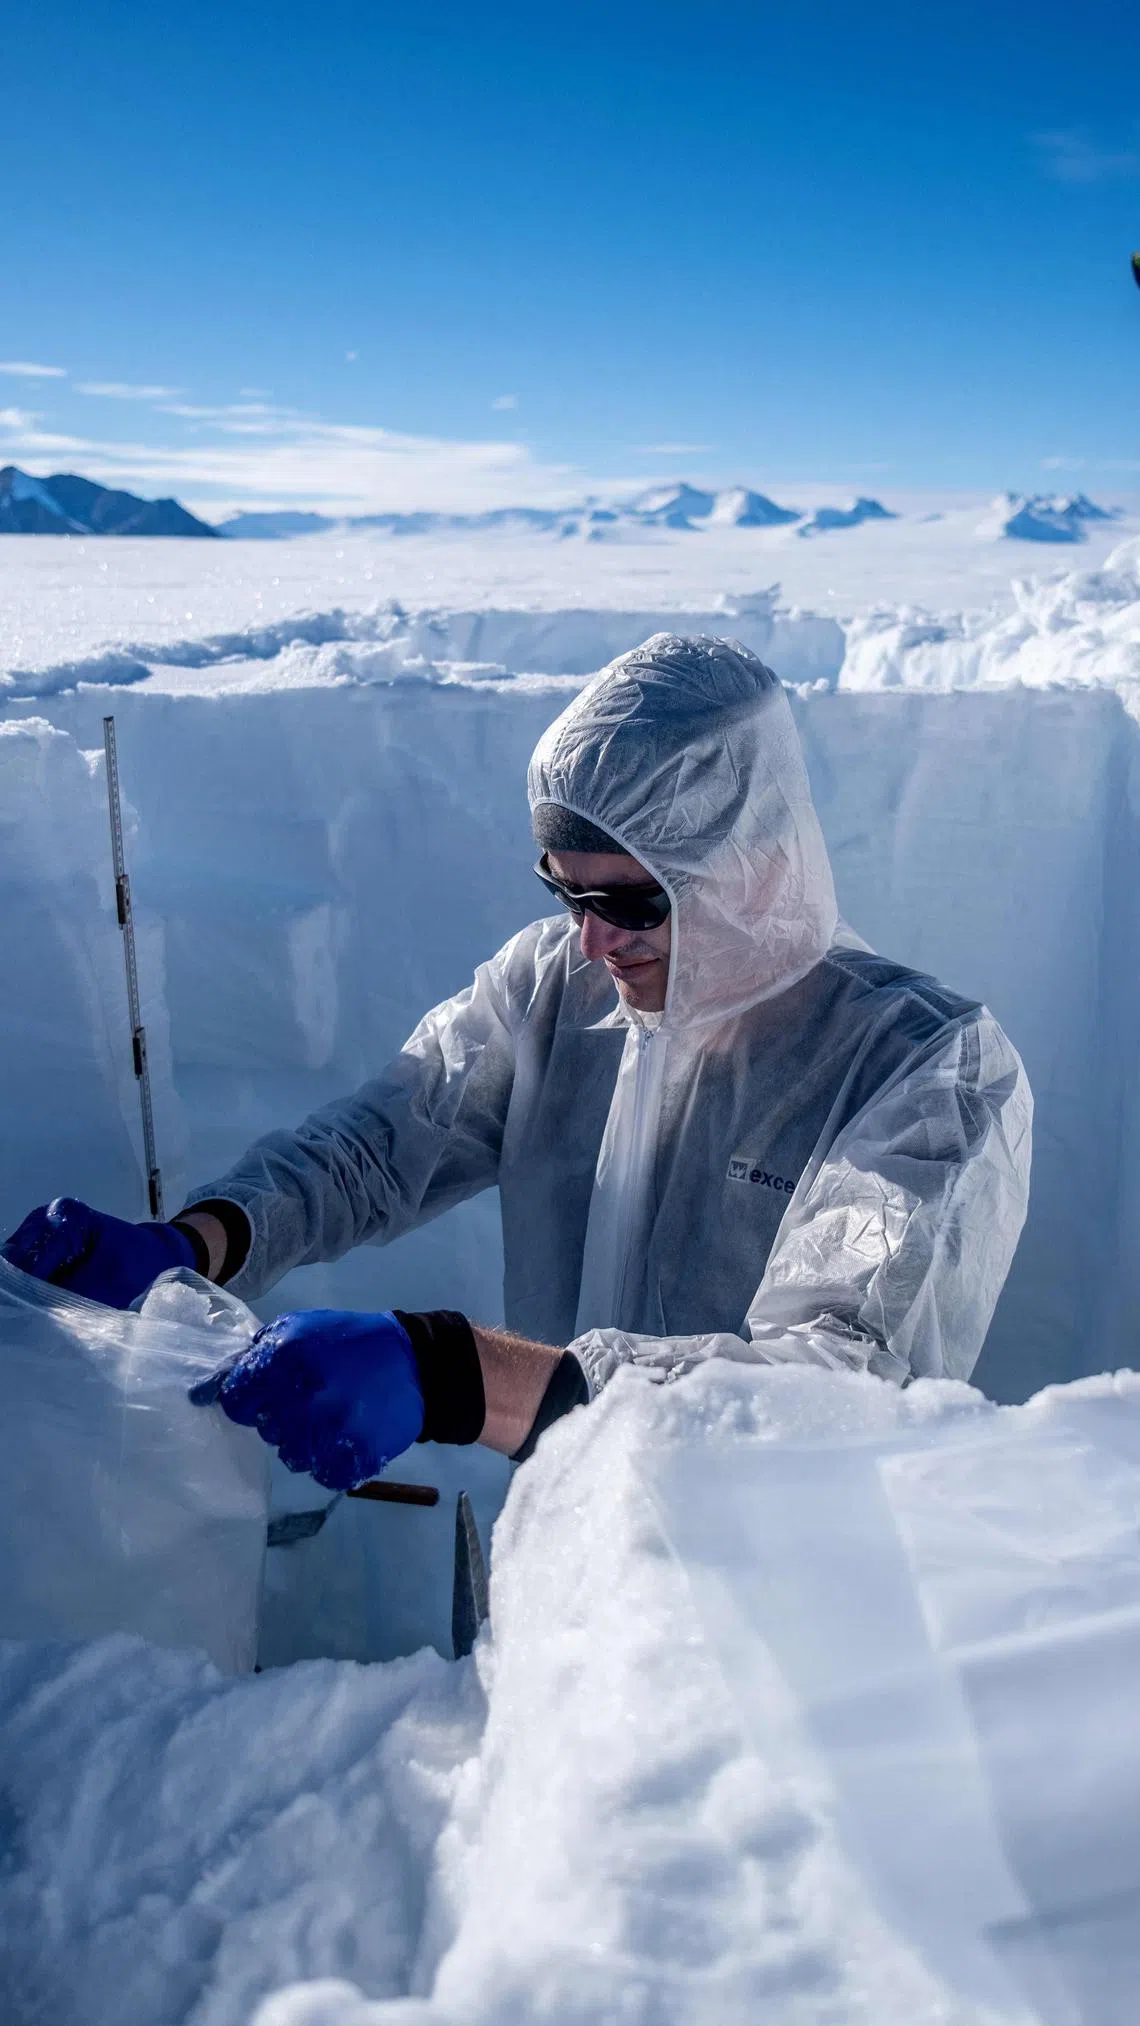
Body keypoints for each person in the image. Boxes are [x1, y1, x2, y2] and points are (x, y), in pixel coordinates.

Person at [3, 634, 1033, 1488]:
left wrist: (457, 1374)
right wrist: (204, 1239)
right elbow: (380, 1146)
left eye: (632, 902)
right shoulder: (559, 986)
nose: (593, 941)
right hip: (568, 1561)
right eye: (566, 893)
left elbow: (834, 1389)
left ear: (757, 862)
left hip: (785, 1628)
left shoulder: (928, 1072)